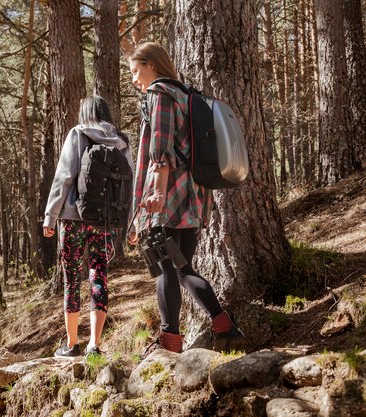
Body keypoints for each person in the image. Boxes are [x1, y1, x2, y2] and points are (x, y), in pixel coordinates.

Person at [126, 42, 245, 354]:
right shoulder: (186, 94)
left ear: (152, 64)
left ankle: (169, 343)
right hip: (192, 195)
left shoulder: (159, 94)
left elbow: (161, 148)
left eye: (136, 71)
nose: (134, 79)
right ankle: (224, 326)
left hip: (168, 195)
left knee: (165, 268)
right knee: (183, 269)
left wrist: (155, 194)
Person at [44, 95, 134, 360]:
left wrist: (51, 216)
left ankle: (72, 345)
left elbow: (64, 176)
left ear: (85, 112)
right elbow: (129, 183)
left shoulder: (78, 133)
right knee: (99, 274)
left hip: (73, 219)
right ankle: (95, 344)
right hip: (104, 220)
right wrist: (130, 224)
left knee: (71, 278)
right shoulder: (122, 142)